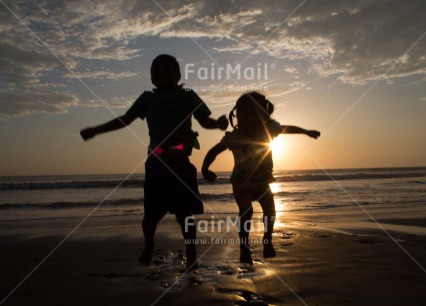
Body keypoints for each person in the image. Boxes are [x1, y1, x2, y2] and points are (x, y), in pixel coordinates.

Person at [80, 54, 228, 269]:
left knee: (184, 215)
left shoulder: (186, 94)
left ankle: (191, 251)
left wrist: (218, 124)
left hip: (180, 163)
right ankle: (149, 243)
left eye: (166, 69)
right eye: (155, 71)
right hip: (156, 165)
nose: (160, 73)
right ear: (151, 78)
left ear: (178, 75)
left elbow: (204, 120)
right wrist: (97, 130)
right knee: (150, 217)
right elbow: (125, 119)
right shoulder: (147, 98)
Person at [201, 92, 320, 265]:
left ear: (264, 115)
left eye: (256, 113)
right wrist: (205, 168)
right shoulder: (235, 136)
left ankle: (267, 239)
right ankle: (244, 246)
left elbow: (287, 128)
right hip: (241, 182)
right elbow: (214, 151)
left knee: (270, 210)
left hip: (262, 181)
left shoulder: (268, 130)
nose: (251, 118)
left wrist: (305, 131)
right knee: (246, 211)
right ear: (238, 115)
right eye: (246, 113)